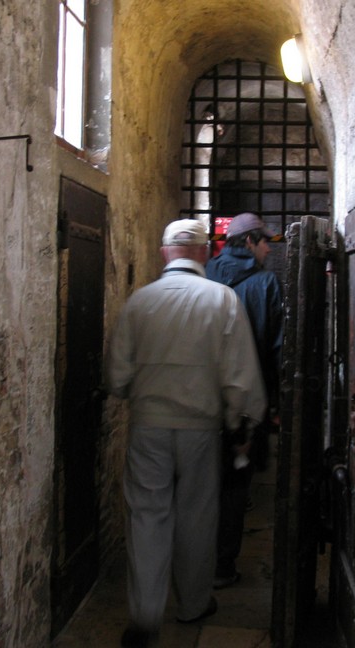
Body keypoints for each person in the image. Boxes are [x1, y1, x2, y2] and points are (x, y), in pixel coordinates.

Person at [108, 218, 267, 648]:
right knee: (198, 517)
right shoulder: (223, 301)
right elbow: (241, 379)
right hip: (201, 428)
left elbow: (117, 377)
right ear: (205, 252)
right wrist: (243, 422)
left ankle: (144, 616)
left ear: (164, 253)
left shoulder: (139, 303)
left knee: (146, 517)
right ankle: (194, 603)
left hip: (148, 428)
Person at [205, 212, 284, 589]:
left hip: (203, 396)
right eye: (265, 241)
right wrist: (275, 403)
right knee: (236, 485)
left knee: (200, 483)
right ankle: (222, 566)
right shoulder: (267, 283)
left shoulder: (205, 274)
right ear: (249, 241)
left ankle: (194, 562)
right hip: (247, 397)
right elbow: (276, 348)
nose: (269, 248)